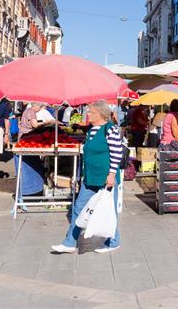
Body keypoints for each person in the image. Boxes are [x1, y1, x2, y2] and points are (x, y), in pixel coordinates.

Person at [52, 100, 122, 254]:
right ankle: (69, 242)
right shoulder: (91, 130)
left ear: (101, 114)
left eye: (91, 112)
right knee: (78, 208)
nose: (87, 114)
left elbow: (117, 153)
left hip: (105, 178)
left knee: (108, 210)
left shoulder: (109, 130)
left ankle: (113, 242)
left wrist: (111, 175)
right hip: (89, 178)